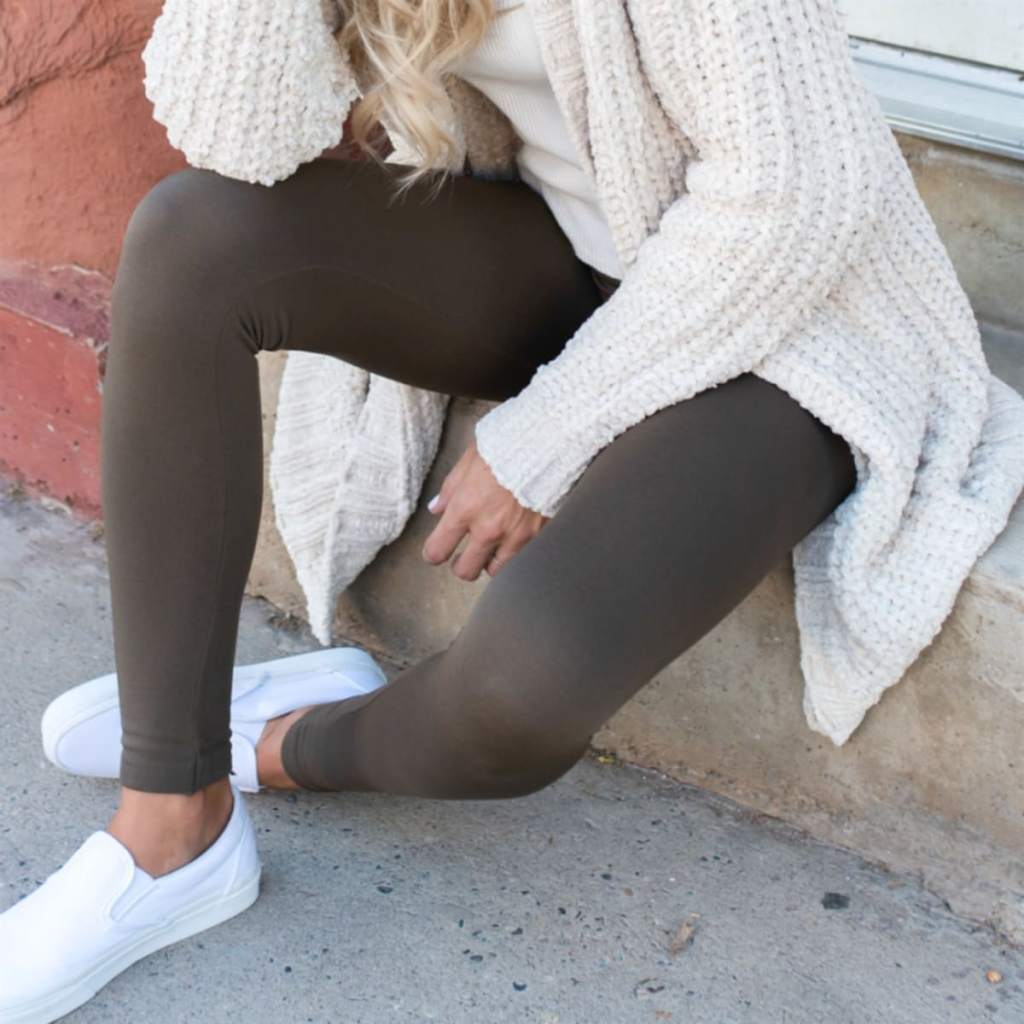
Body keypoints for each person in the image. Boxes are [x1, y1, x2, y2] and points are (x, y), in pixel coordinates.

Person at [3, 0, 1023, 1019]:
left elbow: (802, 199)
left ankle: (263, 739)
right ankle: (172, 822)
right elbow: (237, 140)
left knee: (520, 688)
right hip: (573, 260)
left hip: (795, 325)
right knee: (193, 235)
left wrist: (545, 434)